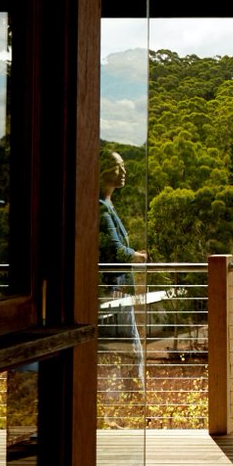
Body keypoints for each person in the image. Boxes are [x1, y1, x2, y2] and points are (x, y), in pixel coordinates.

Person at [98, 149, 147, 393]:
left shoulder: (107, 204)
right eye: (119, 166)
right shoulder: (101, 209)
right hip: (112, 289)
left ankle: (123, 404)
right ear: (104, 171)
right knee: (132, 349)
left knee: (117, 350)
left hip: (113, 287)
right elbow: (114, 250)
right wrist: (137, 256)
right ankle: (135, 402)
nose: (124, 171)